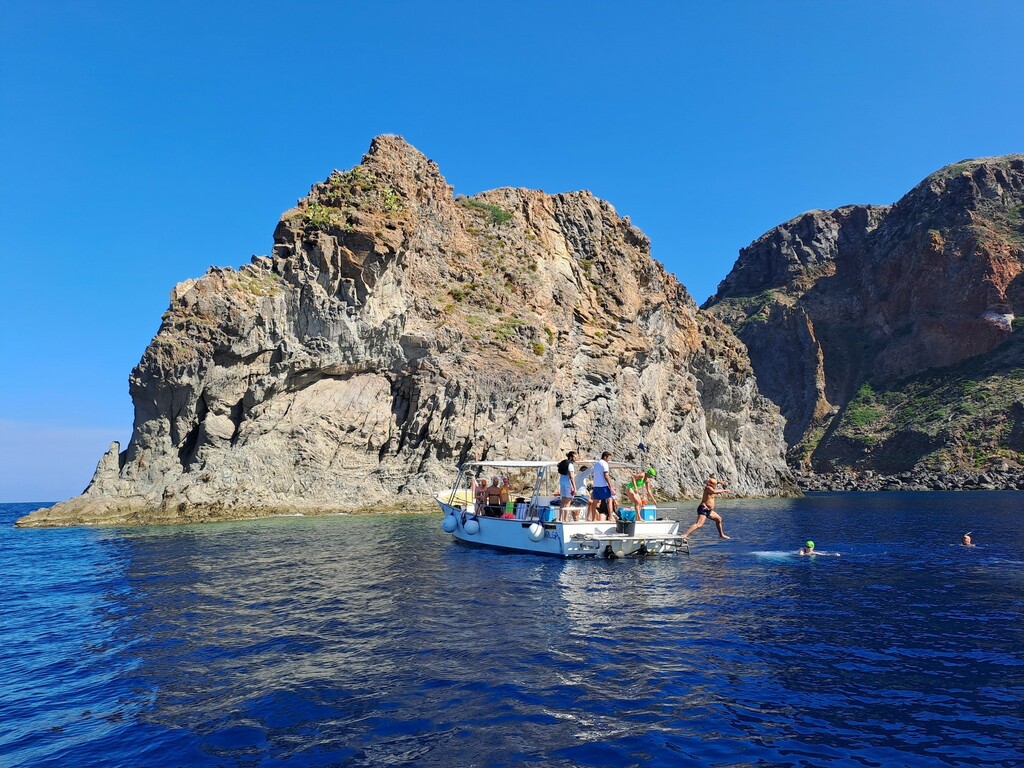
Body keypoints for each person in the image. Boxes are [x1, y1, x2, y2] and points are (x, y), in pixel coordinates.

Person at [681, 476, 731, 541]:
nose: (715, 486)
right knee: (699, 524)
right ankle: (685, 535)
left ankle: (721, 535)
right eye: (715, 485)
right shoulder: (708, 488)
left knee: (719, 519)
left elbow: (713, 483)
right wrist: (725, 490)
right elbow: (714, 491)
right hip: (703, 509)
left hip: (709, 510)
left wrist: (719, 482)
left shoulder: (711, 486)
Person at [591, 451, 618, 521]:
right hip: (603, 485)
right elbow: (606, 475)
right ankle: (611, 517)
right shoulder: (605, 463)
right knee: (609, 499)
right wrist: (611, 486)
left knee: (595, 501)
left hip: (596, 485)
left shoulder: (596, 463)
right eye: (609, 458)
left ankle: (593, 518)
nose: (609, 460)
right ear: (605, 457)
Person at [557, 451, 579, 522]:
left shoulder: (563, 463)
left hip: (562, 483)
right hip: (568, 485)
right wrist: (574, 488)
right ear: (571, 457)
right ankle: (565, 519)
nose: (575, 458)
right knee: (568, 502)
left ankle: (560, 518)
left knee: (563, 501)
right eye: (575, 457)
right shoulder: (570, 465)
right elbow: (571, 477)